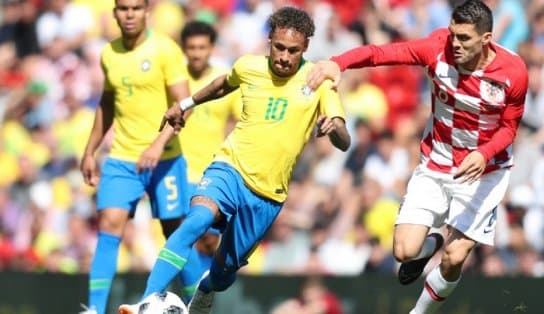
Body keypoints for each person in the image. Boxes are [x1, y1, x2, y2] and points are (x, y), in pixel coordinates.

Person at [118, 6, 350, 314]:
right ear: (269, 41)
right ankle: (147, 300)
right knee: (196, 220)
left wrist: (334, 129)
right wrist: (186, 103)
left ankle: (206, 287)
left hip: (267, 195)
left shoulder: (319, 81)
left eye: (292, 51)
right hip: (230, 167)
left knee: (223, 273)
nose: (283, 56)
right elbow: (222, 84)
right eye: (278, 47)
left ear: (305, 47)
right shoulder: (249, 66)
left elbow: (344, 140)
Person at [306, 1, 528, 313]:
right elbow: (382, 53)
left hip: (485, 170)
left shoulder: (513, 71)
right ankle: (432, 243)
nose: (455, 43)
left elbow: (509, 128)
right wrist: (337, 63)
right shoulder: (436, 49)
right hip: (437, 161)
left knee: (455, 259)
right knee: (403, 251)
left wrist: (484, 153)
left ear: (486, 39)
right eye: (453, 34)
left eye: (464, 38)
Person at [79, 0, 190, 313]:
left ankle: (200, 303)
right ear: (114, 12)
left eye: (136, 8)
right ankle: (96, 309)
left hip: (165, 157)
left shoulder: (166, 50)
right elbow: (107, 103)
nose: (130, 14)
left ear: (147, 12)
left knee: (177, 230)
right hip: (123, 157)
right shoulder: (109, 54)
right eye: (123, 8)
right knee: (109, 223)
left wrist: (157, 144)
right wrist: (90, 150)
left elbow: (186, 105)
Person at [176, 20, 241, 304]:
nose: (196, 54)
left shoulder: (224, 82)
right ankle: (194, 300)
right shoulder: (174, 78)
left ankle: (203, 298)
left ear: (211, 48)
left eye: (202, 47)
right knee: (181, 237)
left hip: (211, 173)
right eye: (191, 48)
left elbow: (242, 122)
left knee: (209, 243)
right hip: (177, 171)